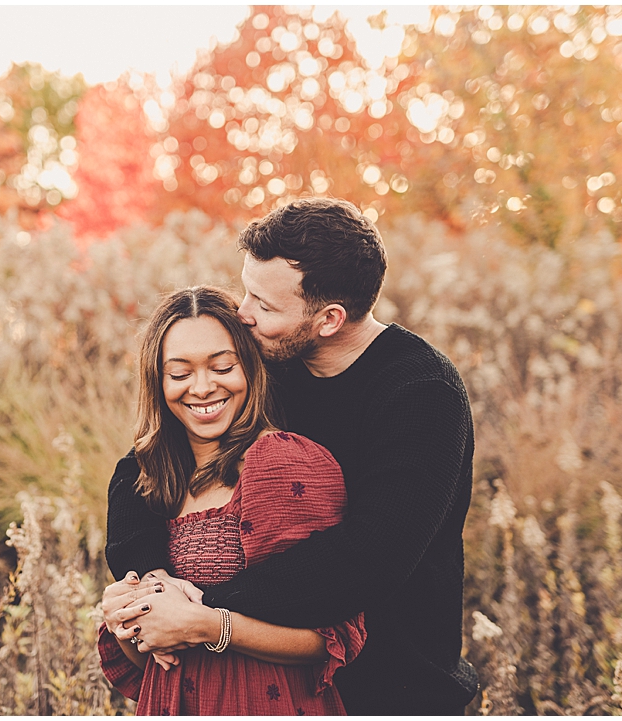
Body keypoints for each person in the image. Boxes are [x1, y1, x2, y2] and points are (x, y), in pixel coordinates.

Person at [105, 198, 479, 714]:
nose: (243, 313)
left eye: (264, 303)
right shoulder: (272, 365)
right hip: (263, 682)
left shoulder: (420, 394)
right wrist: (152, 582)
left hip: (392, 685)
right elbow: (141, 469)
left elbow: (367, 559)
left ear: (328, 319)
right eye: (246, 290)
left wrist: (200, 610)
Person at [97, 286, 366, 715]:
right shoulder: (149, 480)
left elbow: (330, 637)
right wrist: (126, 623)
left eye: (222, 366)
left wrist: (209, 626)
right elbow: (153, 664)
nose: (202, 388)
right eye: (180, 374)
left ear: (251, 368)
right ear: (157, 381)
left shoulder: (280, 462)